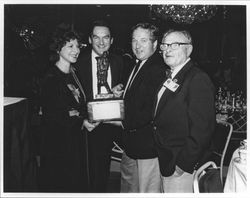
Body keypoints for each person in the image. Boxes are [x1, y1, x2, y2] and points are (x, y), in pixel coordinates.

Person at [152, 29, 216, 192]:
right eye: (165, 45)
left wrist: (183, 165)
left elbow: (203, 129)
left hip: (181, 166)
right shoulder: (171, 76)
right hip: (166, 159)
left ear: (189, 49)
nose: (167, 49)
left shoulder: (197, 78)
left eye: (175, 45)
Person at [39, 24, 89, 192]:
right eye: (70, 46)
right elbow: (53, 117)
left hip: (76, 142)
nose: (76, 50)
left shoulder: (75, 73)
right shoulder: (51, 78)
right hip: (58, 147)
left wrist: (84, 116)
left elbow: (79, 105)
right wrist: (81, 121)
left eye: (78, 46)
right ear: (58, 48)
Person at [76, 20, 124, 192]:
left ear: (112, 40)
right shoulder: (77, 63)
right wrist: (81, 119)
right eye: (96, 37)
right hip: (84, 124)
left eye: (106, 38)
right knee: (83, 170)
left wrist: (119, 90)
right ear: (90, 39)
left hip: (108, 123)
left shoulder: (119, 62)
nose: (101, 42)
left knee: (103, 166)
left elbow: (122, 88)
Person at [120, 22, 166, 192]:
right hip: (132, 143)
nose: (137, 45)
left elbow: (149, 110)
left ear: (154, 44)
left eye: (143, 40)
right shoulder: (138, 64)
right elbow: (136, 98)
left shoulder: (157, 68)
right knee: (130, 189)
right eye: (134, 40)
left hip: (147, 146)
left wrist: (121, 122)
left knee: (147, 191)